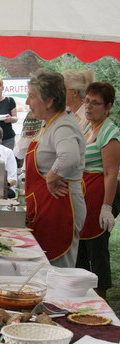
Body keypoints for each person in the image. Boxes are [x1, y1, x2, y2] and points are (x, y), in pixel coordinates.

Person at [24, 68, 86, 267]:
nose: (27, 103)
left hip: (61, 208)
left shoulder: (62, 126)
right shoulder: (49, 124)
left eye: (31, 97)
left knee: (58, 271)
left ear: (49, 101)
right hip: (46, 206)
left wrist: (51, 177)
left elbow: (68, 157)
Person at [76, 82, 120, 299]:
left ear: (108, 106)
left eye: (95, 103)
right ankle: (83, 293)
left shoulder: (110, 132)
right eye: (87, 101)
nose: (89, 106)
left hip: (99, 193)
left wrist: (106, 207)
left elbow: (111, 173)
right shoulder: (87, 127)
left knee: (96, 246)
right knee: (82, 245)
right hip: (85, 193)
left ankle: (100, 297)